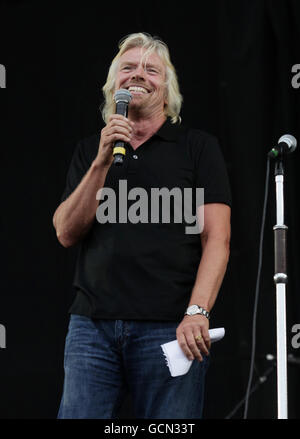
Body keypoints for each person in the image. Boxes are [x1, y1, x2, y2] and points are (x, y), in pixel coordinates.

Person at [53, 32, 231, 419]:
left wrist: (198, 311)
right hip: (92, 327)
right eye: (128, 68)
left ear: (166, 91)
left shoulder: (197, 148)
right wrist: (100, 162)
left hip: (170, 327)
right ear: (112, 86)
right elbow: (65, 231)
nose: (138, 75)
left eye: (151, 70)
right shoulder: (90, 150)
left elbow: (217, 237)